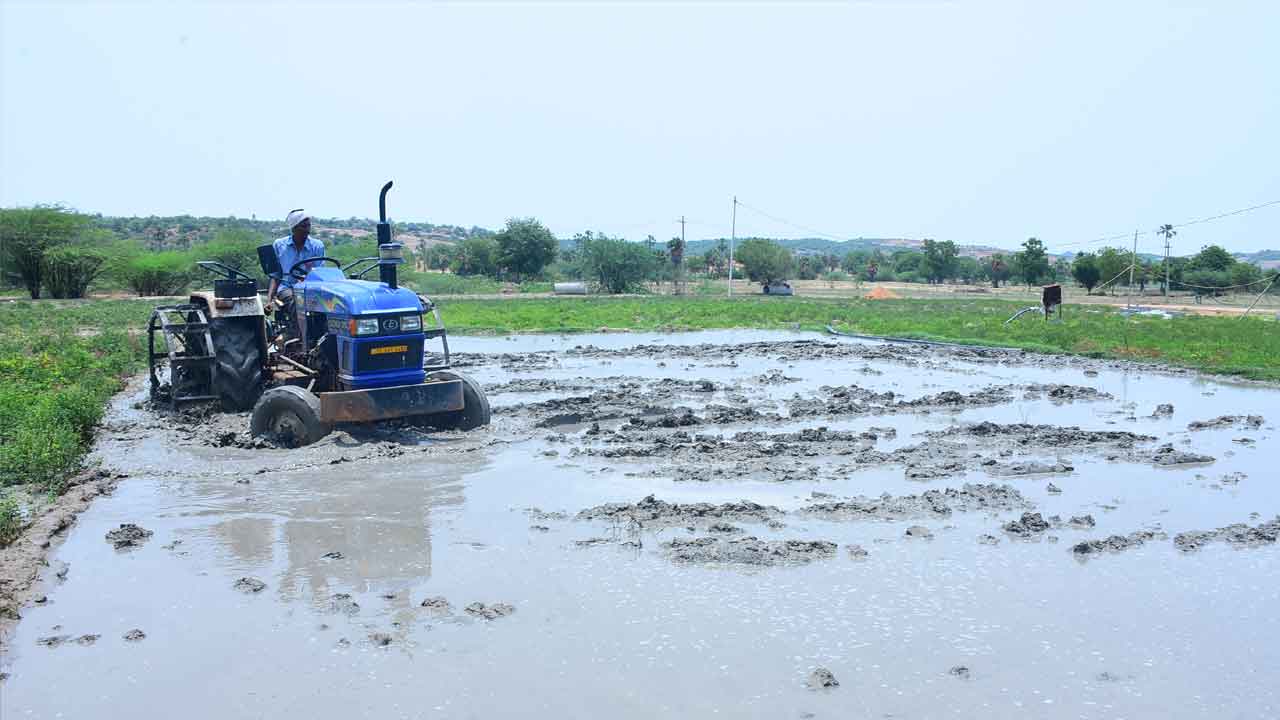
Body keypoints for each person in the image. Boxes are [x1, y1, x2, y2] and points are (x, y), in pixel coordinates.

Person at [265, 209, 325, 315]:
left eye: (309, 226)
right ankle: (298, 331)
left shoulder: (317, 246)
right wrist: (269, 301)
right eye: (303, 226)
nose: (308, 230)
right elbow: (275, 276)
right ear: (294, 228)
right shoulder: (279, 245)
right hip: (287, 288)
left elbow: (320, 274)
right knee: (298, 302)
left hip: (311, 289)